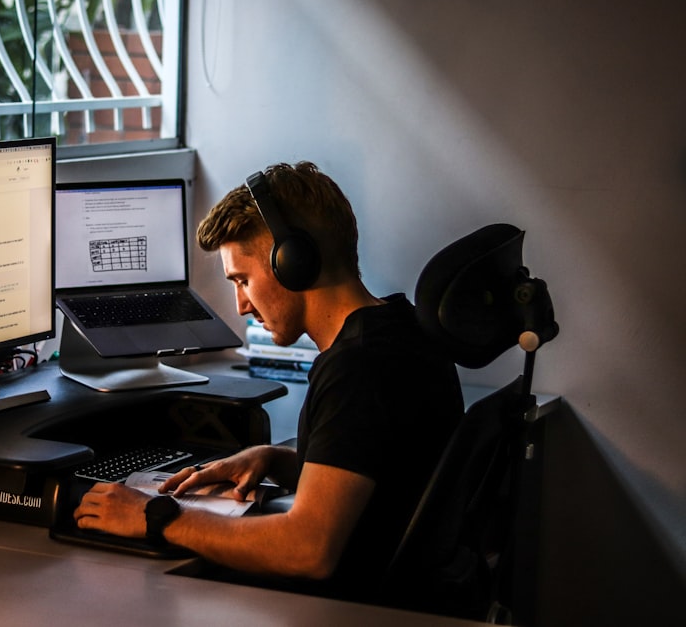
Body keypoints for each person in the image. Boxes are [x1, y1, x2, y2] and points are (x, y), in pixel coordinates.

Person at [74, 161, 463, 603]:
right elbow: (384, 470)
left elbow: (308, 550)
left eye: (243, 280)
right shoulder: (399, 329)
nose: (241, 305)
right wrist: (276, 458)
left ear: (293, 263)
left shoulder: (358, 369)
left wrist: (159, 516)